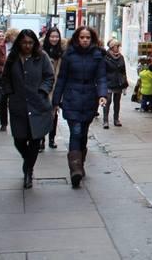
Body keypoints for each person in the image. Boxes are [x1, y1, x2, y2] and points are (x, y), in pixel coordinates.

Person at [52, 26, 107, 188]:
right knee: (75, 132)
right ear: (77, 38)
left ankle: (80, 163)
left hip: (89, 99)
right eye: (82, 37)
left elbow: (101, 77)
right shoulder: (69, 55)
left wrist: (102, 95)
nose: (84, 40)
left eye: (87, 37)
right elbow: (61, 79)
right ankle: (75, 169)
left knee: (83, 133)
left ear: (92, 39)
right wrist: (56, 102)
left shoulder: (98, 56)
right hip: (71, 98)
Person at [1, 30, 54, 189]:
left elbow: (49, 76)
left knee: (36, 138)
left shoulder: (42, 56)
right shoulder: (13, 57)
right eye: (24, 43)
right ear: (19, 43)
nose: (27, 46)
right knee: (19, 139)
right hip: (18, 105)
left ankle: (28, 170)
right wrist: (9, 92)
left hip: (38, 103)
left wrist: (43, 90)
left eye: (30, 43)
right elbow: (6, 77)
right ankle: (28, 160)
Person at [42, 27, 66, 149]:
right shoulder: (41, 50)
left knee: (54, 114)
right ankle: (41, 139)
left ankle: (51, 138)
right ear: (48, 37)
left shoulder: (61, 52)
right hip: (42, 86)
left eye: (56, 36)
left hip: (55, 86)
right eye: (52, 36)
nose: (54, 39)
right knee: (42, 113)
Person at [104, 39, 129, 128]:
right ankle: (105, 120)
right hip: (108, 81)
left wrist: (125, 84)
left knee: (117, 102)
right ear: (111, 47)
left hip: (118, 82)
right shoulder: (106, 57)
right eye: (116, 46)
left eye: (118, 46)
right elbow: (103, 71)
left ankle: (116, 119)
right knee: (108, 101)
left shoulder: (121, 57)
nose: (118, 48)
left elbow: (123, 71)